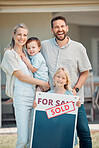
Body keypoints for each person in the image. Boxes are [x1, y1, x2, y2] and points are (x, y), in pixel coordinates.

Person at [41, 16, 92, 147]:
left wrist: (76, 90)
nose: (60, 29)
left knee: (84, 133)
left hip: (74, 99)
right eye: (56, 27)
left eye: (62, 26)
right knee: (55, 134)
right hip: (52, 99)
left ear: (67, 28)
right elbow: (30, 51)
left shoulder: (78, 47)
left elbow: (85, 71)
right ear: (52, 30)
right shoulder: (44, 46)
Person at [0, 23, 50, 148]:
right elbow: (20, 76)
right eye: (19, 34)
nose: (22, 37)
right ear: (13, 35)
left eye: (25, 35)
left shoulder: (28, 53)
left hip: (34, 97)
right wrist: (43, 83)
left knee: (32, 138)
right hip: (21, 98)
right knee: (23, 139)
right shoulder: (9, 54)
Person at [33, 67, 81, 147]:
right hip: (52, 130)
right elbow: (42, 114)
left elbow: (73, 113)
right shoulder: (47, 96)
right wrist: (36, 106)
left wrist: (77, 105)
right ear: (54, 78)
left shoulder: (70, 95)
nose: (60, 80)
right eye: (58, 77)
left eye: (63, 78)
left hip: (65, 131)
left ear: (66, 81)